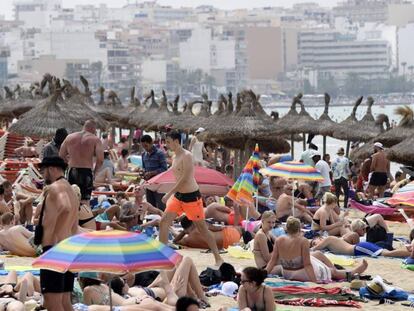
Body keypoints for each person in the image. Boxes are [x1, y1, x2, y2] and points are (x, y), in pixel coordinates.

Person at [159, 131, 223, 266]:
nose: (166, 144)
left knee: (202, 229)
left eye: (168, 141)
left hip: (191, 197)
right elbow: (176, 176)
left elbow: (185, 178)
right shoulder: (175, 156)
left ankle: (218, 257)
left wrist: (168, 193)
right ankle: (163, 256)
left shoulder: (187, 156)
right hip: (179, 196)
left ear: (176, 141)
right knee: (163, 222)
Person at [266, 217, 368, 283]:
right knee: (330, 272)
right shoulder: (303, 241)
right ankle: (349, 274)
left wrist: (263, 274)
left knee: (317, 254)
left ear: (287, 229)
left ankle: (339, 271)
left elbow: (273, 261)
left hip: (287, 273)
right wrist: (313, 281)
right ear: (299, 229)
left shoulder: (279, 240)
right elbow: (307, 264)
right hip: (301, 273)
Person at [36, 156, 79, 311]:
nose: (42, 175)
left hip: (55, 250)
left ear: (52, 169)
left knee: (52, 302)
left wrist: (56, 236)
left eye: (43, 171)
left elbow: (65, 206)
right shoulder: (70, 189)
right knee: (65, 301)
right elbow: (74, 223)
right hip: (68, 250)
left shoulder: (56, 188)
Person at [59, 120, 104, 202]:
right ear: (93, 128)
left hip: (72, 170)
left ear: (84, 126)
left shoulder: (69, 137)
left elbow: (61, 156)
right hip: (86, 172)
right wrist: (95, 172)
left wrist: (69, 164)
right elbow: (100, 160)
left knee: (71, 200)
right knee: (84, 201)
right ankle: (83, 214)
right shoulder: (95, 139)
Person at [173, 216, 241, 250]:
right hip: (233, 237)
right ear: (193, 222)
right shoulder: (202, 226)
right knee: (238, 228)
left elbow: (175, 241)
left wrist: (183, 232)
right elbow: (218, 228)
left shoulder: (187, 240)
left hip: (226, 246)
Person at [311, 235, 411, 258]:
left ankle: (411, 254)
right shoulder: (331, 241)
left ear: (320, 238)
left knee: (386, 254)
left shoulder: (328, 239)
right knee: (385, 252)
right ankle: (410, 252)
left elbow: (313, 250)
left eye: (314, 242)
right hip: (359, 247)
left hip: (358, 248)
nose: (316, 244)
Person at [141, 135, 168, 210]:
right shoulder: (143, 155)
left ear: (151, 143)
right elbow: (144, 168)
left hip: (159, 184)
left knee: (161, 206)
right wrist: (143, 173)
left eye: (146, 146)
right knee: (150, 206)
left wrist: (152, 173)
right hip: (148, 184)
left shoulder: (160, 153)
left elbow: (164, 169)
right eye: (143, 146)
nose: (145, 148)